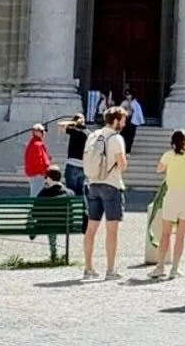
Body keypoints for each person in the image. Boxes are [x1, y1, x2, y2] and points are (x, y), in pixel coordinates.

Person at [81, 106, 128, 280]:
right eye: (123, 120)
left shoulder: (93, 136)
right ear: (115, 121)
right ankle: (110, 269)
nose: (124, 123)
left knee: (91, 228)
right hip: (111, 184)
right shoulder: (116, 138)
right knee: (112, 229)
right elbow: (122, 165)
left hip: (93, 183)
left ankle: (88, 268)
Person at [153, 130, 185, 280]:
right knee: (181, 235)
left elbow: (159, 169)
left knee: (166, 233)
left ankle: (160, 266)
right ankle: (175, 268)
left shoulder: (168, 155)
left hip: (172, 194)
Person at [34, 163, 67, 262]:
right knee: (53, 221)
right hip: (65, 224)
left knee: (50, 223)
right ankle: (58, 254)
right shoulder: (68, 193)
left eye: (45, 177)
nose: (44, 179)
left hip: (46, 224)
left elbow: (35, 211)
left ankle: (53, 252)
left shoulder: (44, 193)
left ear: (50, 178)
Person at [57, 112, 89, 197]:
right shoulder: (87, 133)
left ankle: (71, 210)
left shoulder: (74, 132)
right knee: (81, 193)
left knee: (70, 192)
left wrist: (72, 123)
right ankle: (82, 209)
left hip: (72, 164)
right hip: (83, 166)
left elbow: (60, 125)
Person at [23, 122, 51, 199]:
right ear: (36, 132)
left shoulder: (33, 143)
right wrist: (43, 172)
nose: (44, 133)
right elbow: (39, 160)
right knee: (36, 193)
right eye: (42, 131)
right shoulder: (37, 144)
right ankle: (34, 209)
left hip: (34, 173)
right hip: (38, 173)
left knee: (35, 192)